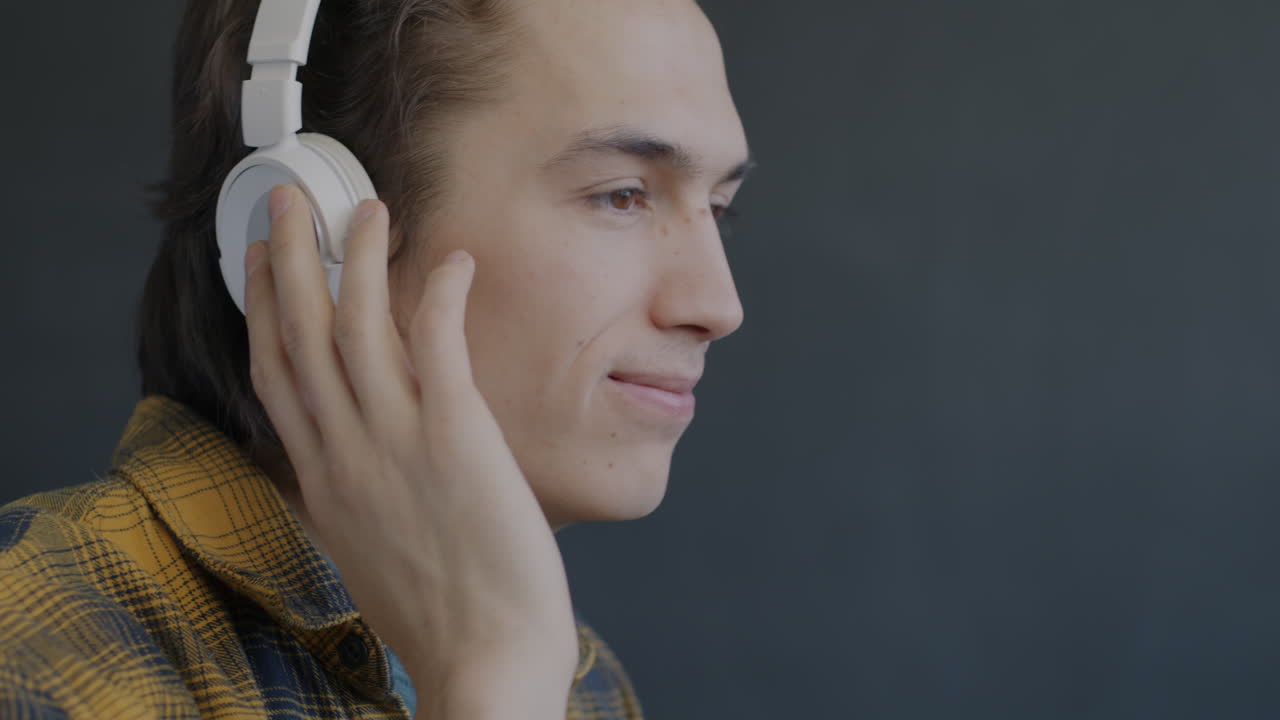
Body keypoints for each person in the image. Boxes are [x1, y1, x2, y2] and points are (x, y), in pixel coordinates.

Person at [0, 0, 751, 716]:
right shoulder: (32, 646)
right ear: (310, 226)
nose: (719, 307)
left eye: (718, 208)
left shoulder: (576, 683)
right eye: (622, 196)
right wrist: (491, 682)